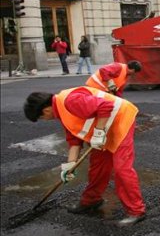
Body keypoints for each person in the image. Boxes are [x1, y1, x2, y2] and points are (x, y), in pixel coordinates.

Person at [23, 87, 145, 227]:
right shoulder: (62, 112)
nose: (45, 120)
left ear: (45, 111)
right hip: (105, 127)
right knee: (98, 166)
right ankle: (91, 200)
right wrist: (70, 166)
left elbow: (106, 106)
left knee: (121, 169)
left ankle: (136, 211)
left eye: (42, 118)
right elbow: (74, 141)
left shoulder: (70, 101)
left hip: (121, 120)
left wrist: (99, 133)